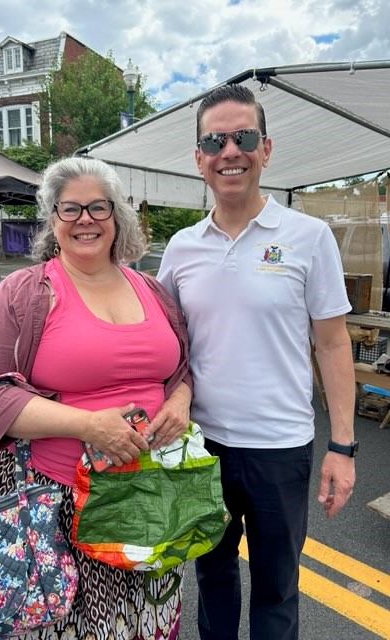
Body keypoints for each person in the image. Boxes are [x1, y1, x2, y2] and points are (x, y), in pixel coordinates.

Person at [0, 156, 192, 640]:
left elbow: (180, 367)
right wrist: (89, 426)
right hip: (64, 504)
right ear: (52, 219)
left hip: (154, 494)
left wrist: (180, 399)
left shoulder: (152, 290)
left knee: (149, 621)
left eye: (98, 207)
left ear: (117, 216)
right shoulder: (23, 294)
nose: (85, 219)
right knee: (80, 626)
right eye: (70, 209)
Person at [157, 84, 357, 640]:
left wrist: (342, 446)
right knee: (212, 579)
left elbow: (334, 344)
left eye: (244, 137)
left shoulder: (309, 237)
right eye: (214, 141)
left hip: (280, 449)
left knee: (277, 590)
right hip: (201, 450)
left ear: (265, 149)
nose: (230, 151)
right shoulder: (182, 247)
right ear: (198, 158)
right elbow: (162, 341)